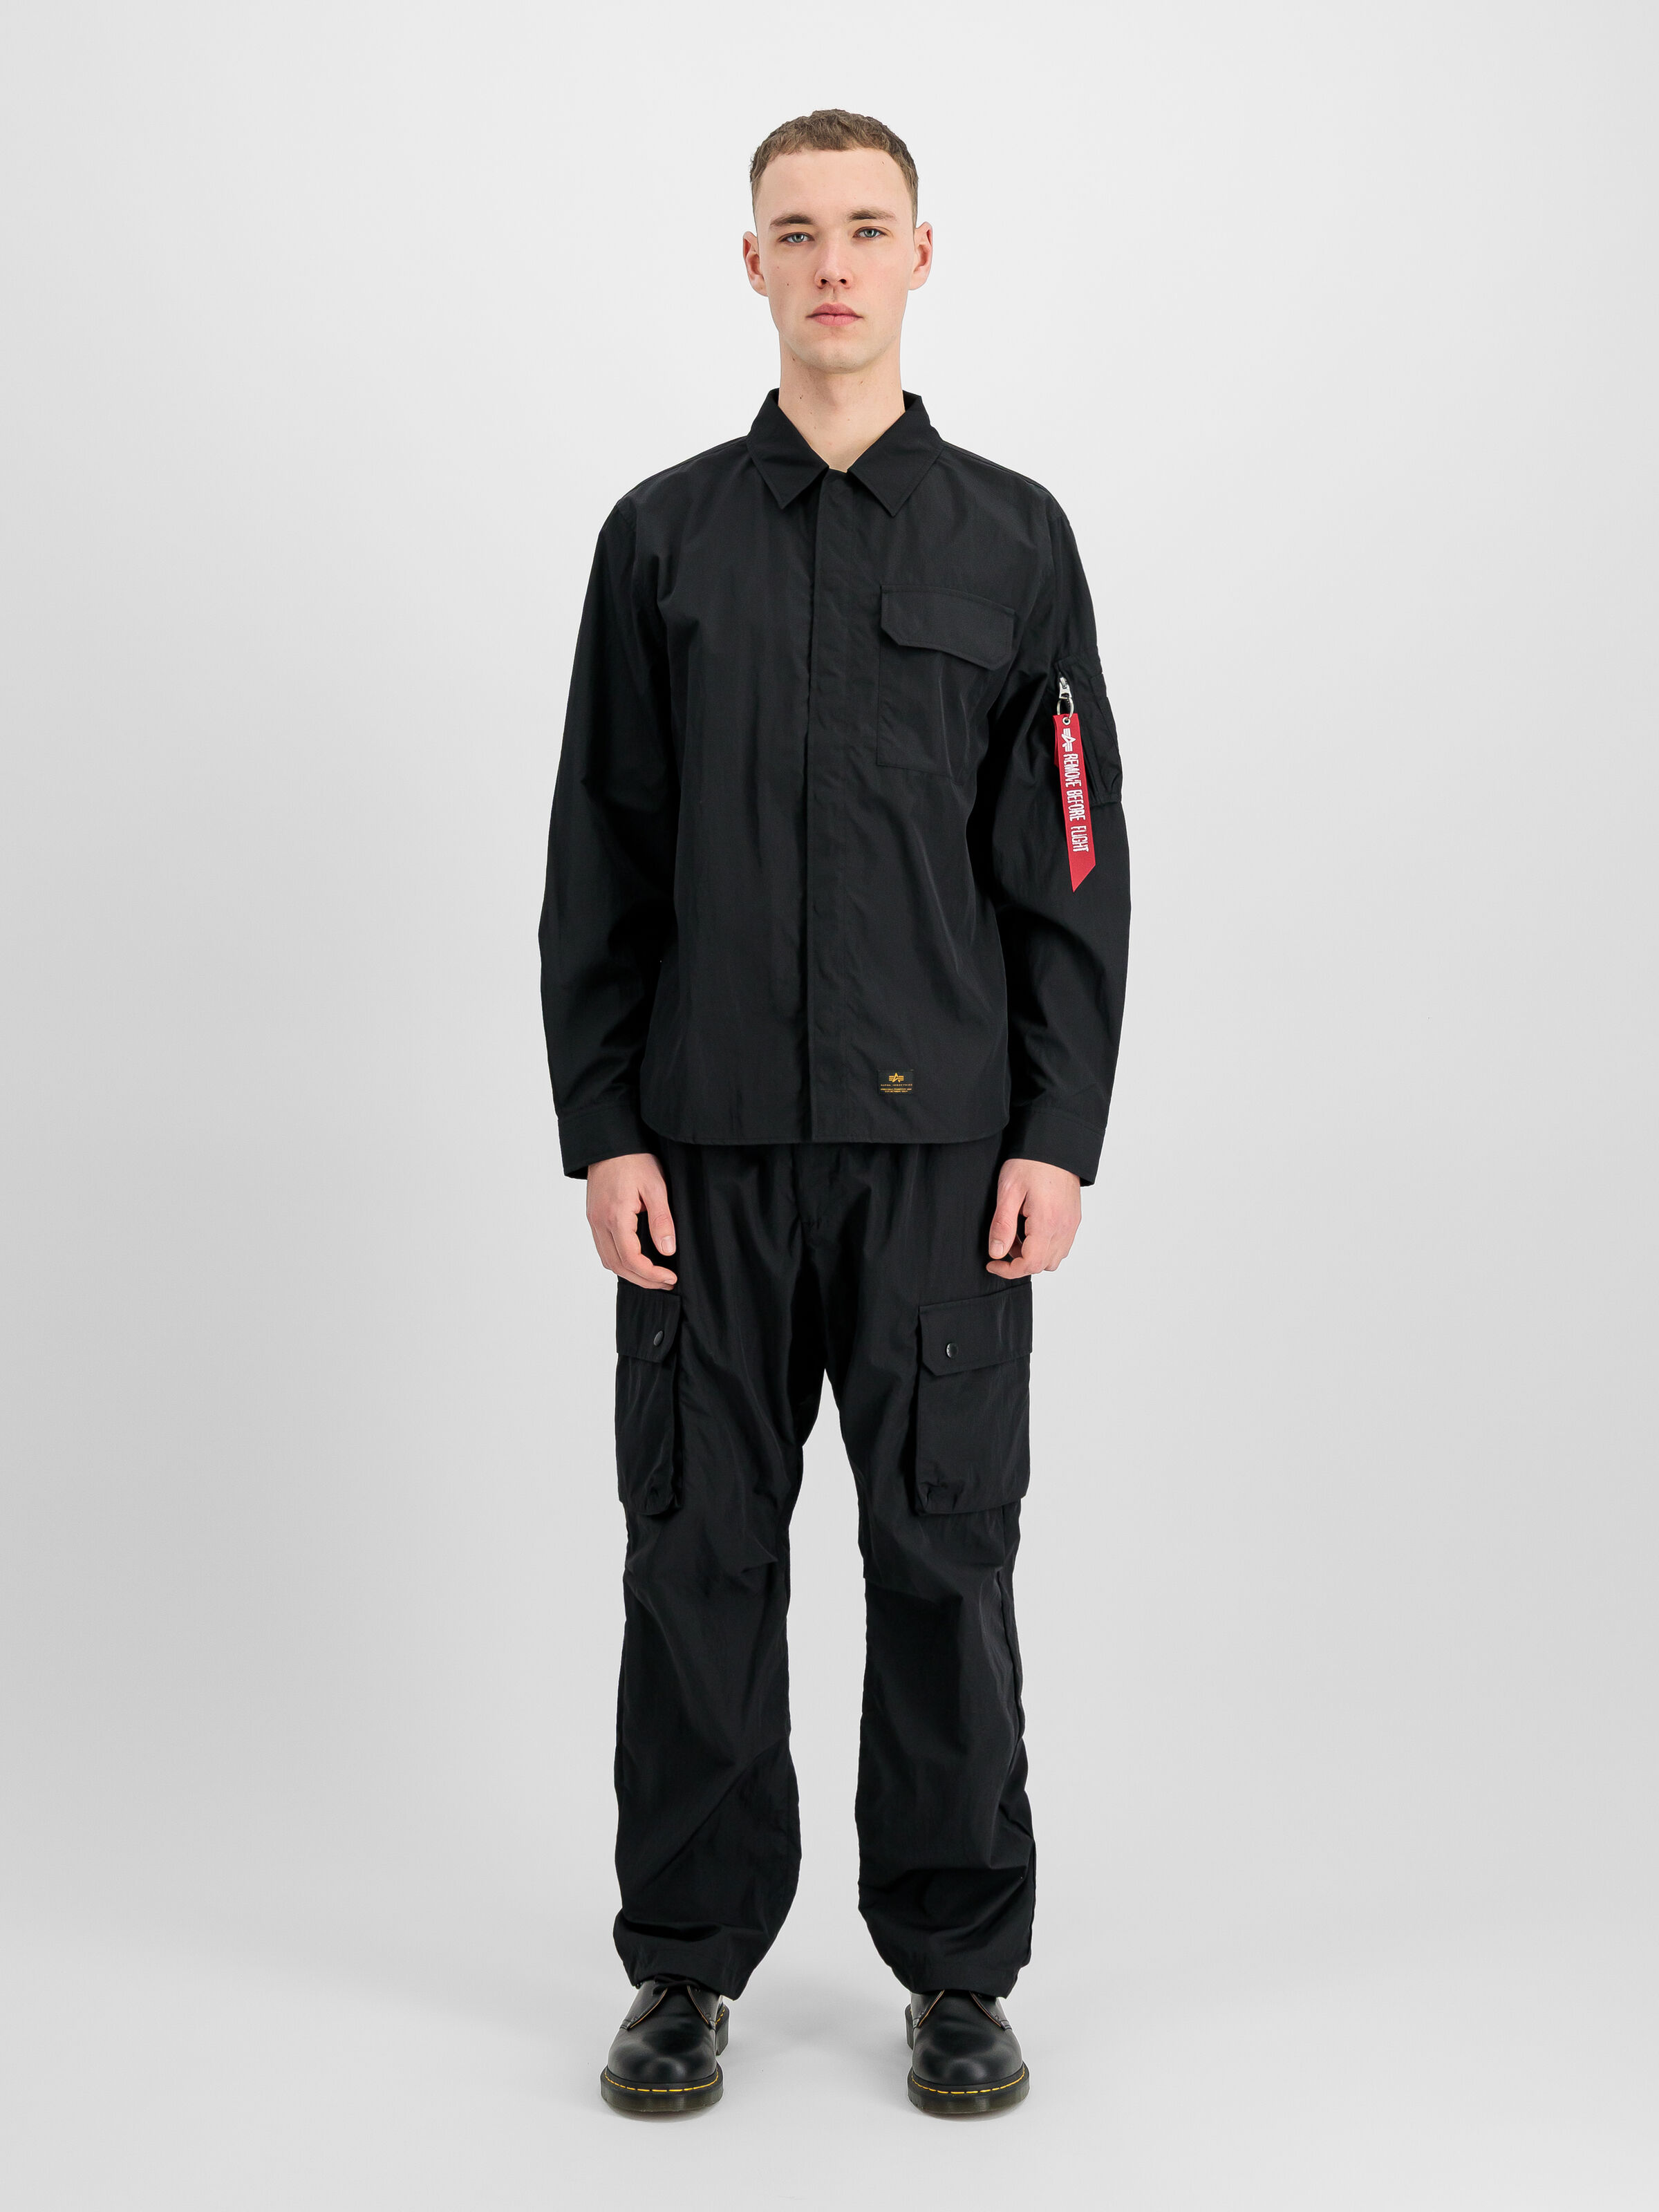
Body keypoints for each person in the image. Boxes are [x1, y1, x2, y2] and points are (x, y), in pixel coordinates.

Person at [539, 107, 1130, 2117]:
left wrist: (1055, 1131)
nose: (834, 264)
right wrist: (604, 1126)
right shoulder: (661, 540)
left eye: (867, 228)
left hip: (943, 1163)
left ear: (922, 255)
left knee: (945, 1559)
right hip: (702, 1156)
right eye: (796, 232)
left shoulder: (1013, 541)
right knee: (698, 1556)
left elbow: (1069, 863)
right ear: (753, 265)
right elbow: (601, 855)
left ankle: (959, 1968)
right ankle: (685, 1965)